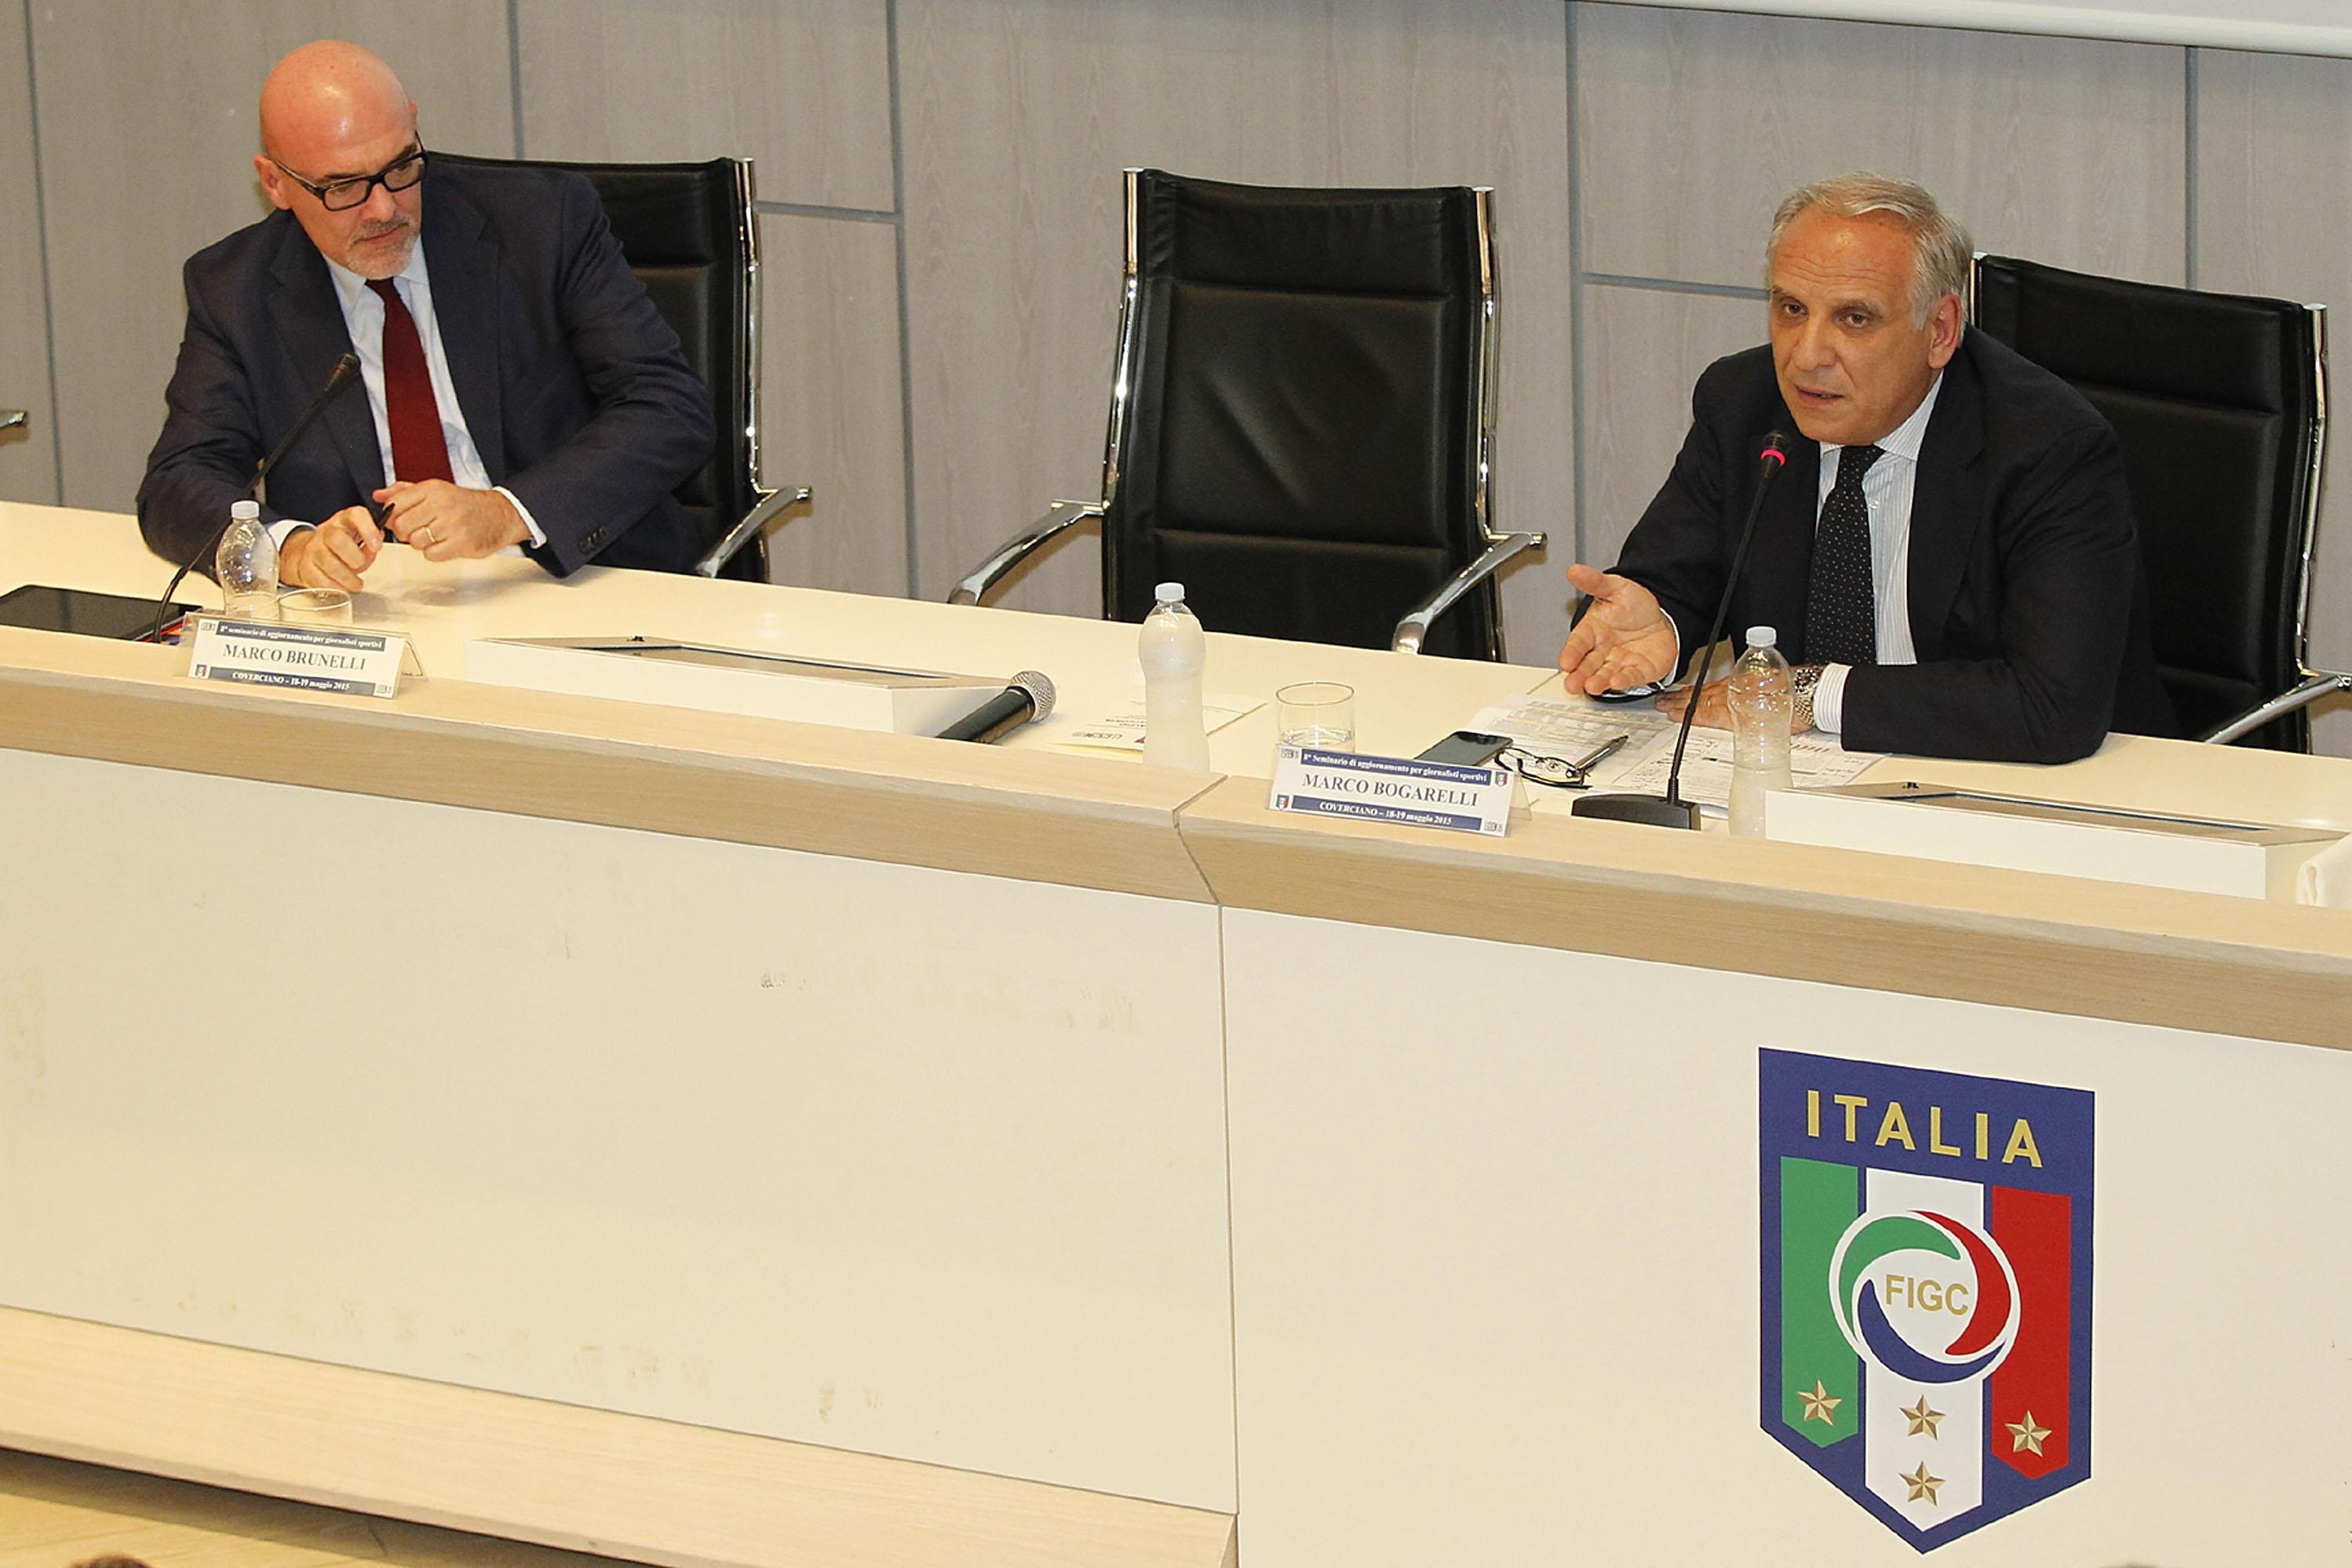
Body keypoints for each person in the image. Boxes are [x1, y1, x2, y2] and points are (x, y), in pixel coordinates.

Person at [1558, 173, 2174, 764]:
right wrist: (1652, 636)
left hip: (2015, 787)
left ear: (1938, 331)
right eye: (1791, 309)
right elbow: (1668, 583)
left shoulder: (2046, 447)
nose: (1806, 356)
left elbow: (2051, 706)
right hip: (1806, 776)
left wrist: (1811, 694)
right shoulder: (1743, 405)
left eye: (1854, 319)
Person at [137, 41, 713, 589]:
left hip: (571, 584)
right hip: (374, 612)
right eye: (343, 188)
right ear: (276, 183)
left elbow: (668, 408)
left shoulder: (542, 226)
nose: (384, 207)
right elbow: (179, 481)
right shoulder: (235, 288)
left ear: (413, 128)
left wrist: (505, 512)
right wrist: (289, 549)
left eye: (399, 166)